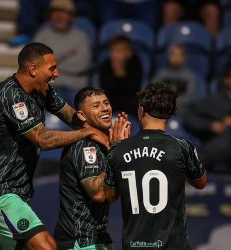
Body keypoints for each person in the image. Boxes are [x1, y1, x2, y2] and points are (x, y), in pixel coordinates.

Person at [0, 42, 109, 250]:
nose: (57, 73)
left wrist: (104, 131)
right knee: (46, 246)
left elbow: (72, 117)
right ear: (33, 70)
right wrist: (88, 132)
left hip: (15, 194)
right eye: (52, 68)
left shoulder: (41, 90)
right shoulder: (11, 95)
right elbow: (42, 139)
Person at [104, 83, 207, 250]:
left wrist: (114, 151)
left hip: (134, 246)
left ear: (142, 110)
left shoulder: (118, 149)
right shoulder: (182, 147)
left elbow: (109, 196)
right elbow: (200, 183)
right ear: (171, 114)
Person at [54, 87, 130, 250]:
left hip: (99, 238)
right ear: (81, 115)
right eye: (96, 106)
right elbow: (98, 193)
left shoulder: (104, 145)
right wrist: (116, 151)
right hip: (78, 241)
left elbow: (114, 193)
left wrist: (120, 151)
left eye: (106, 103)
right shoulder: (85, 146)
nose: (105, 108)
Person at [182, 63, 231, 172]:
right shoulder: (214, 101)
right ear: (226, 80)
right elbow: (188, 116)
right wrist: (210, 126)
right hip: (218, 146)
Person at [33, 0, 92, 90]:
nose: (59, 16)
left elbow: (83, 64)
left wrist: (51, 63)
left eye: (64, 12)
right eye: (55, 11)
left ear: (72, 16)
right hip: (48, 87)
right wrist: (68, 56)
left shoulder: (81, 36)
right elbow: (35, 63)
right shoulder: (42, 35)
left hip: (75, 87)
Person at [99, 35, 142, 117]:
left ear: (129, 53)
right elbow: (106, 89)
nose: (115, 54)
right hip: (112, 99)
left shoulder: (135, 63)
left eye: (120, 51)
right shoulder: (106, 65)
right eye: (113, 50)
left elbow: (133, 89)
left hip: (130, 100)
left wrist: (121, 72)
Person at [152, 43, 197, 113]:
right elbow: (153, 91)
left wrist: (172, 103)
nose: (176, 58)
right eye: (173, 55)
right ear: (168, 56)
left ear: (184, 58)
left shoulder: (190, 76)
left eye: (179, 55)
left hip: (182, 110)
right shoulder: (161, 74)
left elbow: (190, 97)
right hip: (162, 108)